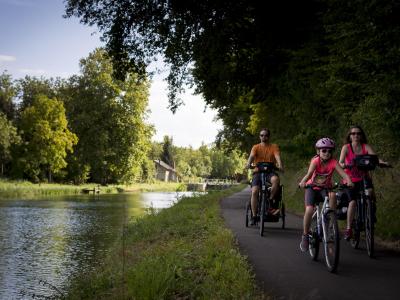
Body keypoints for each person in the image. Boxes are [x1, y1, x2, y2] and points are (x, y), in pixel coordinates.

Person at [298, 137, 353, 252]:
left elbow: (343, 174)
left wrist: (349, 181)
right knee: (309, 210)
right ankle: (305, 235)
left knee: (333, 195)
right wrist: (303, 182)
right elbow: (309, 174)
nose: (327, 153)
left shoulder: (333, 162)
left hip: (325, 189)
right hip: (312, 188)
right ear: (318, 151)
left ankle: (331, 221)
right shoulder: (315, 161)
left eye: (329, 151)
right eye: (324, 150)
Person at [338, 125, 389, 240]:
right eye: (353, 133)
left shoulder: (366, 146)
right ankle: (349, 229)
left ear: (361, 136)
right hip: (350, 179)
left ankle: (370, 214)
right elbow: (340, 162)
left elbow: (375, 158)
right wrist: (345, 165)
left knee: (370, 193)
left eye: (358, 133)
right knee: (352, 202)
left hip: (364, 178)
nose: (356, 135)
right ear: (350, 136)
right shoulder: (346, 147)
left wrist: (382, 162)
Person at [245, 128, 283, 224]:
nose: (263, 137)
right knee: (254, 191)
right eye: (261, 135)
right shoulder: (256, 147)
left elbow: (277, 156)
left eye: (265, 135)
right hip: (258, 172)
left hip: (270, 172)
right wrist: (248, 164)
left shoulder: (274, 147)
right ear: (259, 136)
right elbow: (251, 156)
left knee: (276, 180)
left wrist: (280, 165)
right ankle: (254, 216)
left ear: (268, 137)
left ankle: (270, 201)